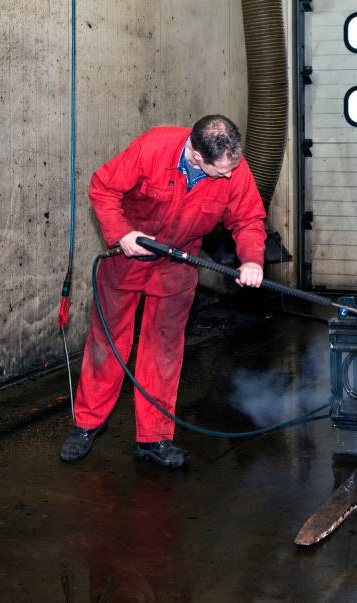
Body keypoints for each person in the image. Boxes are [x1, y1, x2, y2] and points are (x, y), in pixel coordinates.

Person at [60, 115, 266, 468]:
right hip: (129, 256)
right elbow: (103, 187)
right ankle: (86, 425)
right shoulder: (154, 147)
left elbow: (248, 218)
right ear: (196, 154)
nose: (230, 175)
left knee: (163, 350)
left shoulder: (234, 166)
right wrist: (121, 233)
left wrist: (252, 260)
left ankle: (154, 439)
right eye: (222, 170)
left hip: (176, 266)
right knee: (108, 344)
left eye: (233, 166)